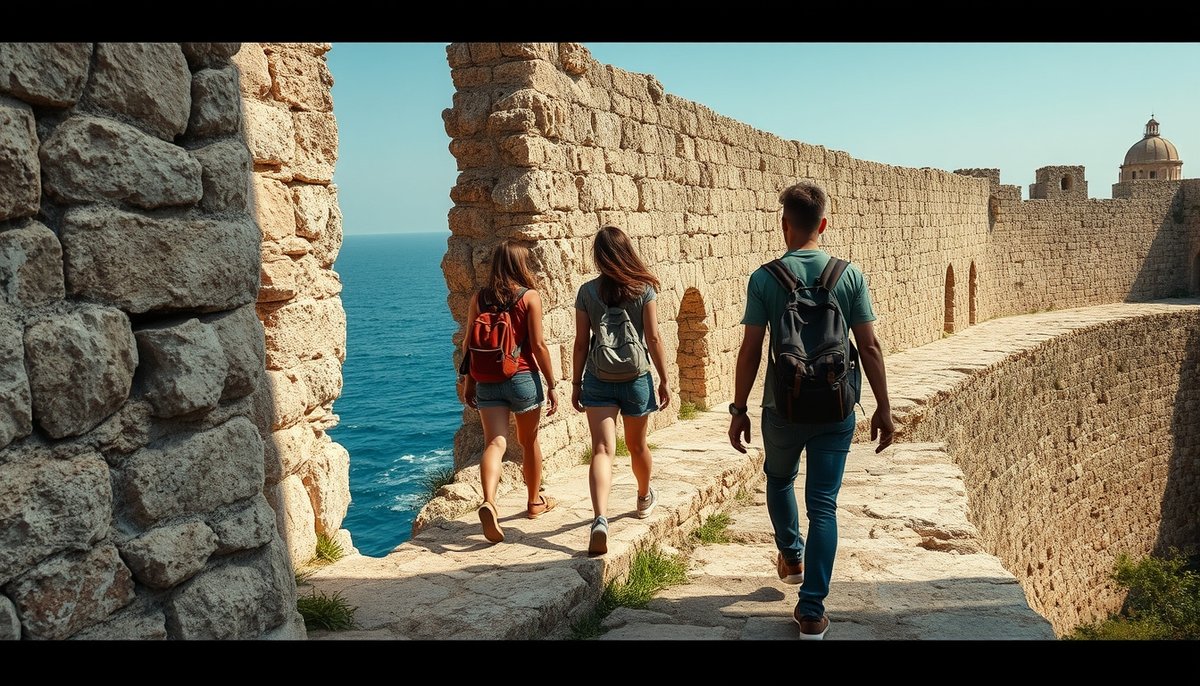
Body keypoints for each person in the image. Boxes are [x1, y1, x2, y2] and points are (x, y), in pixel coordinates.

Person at [727, 181, 894, 640]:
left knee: (779, 479)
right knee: (824, 503)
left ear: (785, 225)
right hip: (837, 407)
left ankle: (792, 555)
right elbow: (870, 346)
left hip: (782, 407)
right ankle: (813, 611)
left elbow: (750, 351)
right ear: (823, 224)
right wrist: (883, 406)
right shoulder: (849, 276)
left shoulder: (765, 278)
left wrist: (738, 408)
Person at [571, 225, 671, 556]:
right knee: (638, 445)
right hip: (636, 377)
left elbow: (581, 343)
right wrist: (664, 378)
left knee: (601, 449)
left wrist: (575, 383)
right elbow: (653, 338)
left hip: (598, 377)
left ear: (598, 257)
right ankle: (643, 498)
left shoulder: (587, 292)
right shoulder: (644, 290)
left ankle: (599, 519)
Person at [459, 240, 559, 544]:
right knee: (529, 442)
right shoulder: (529, 297)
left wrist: (468, 381)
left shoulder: (479, 297)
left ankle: (489, 501)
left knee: (495, 443)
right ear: (520, 265)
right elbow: (538, 345)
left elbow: (468, 344)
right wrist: (552, 383)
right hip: (523, 377)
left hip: (487, 378)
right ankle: (534, 503)